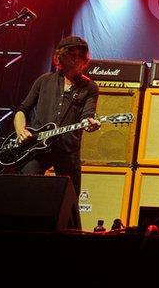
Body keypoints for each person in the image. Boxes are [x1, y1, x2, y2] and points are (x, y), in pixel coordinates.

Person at [13, 36, 100, 226]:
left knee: (70, 202)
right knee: (27, 188)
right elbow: (21, 110)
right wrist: (21, 130)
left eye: (80, 56)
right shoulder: (44, 80)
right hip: (36, 147)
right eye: (71, 55)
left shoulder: (89, 87)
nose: (75, 59)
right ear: (61, 57)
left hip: (67, 149)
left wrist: (90, 123)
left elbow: (88, 115)